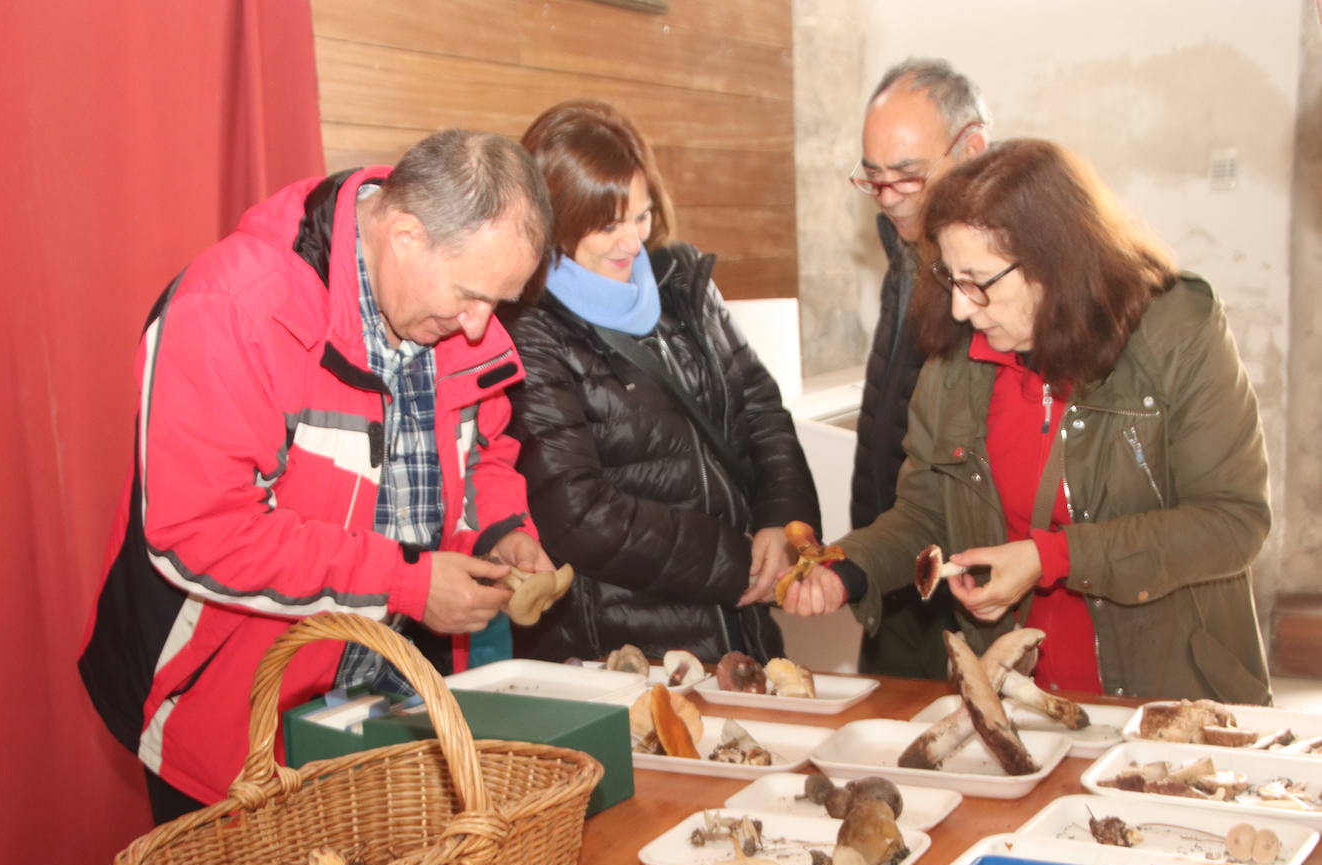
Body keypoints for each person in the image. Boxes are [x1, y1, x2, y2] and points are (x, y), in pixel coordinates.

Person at [78, 130, 557, 821]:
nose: (483, 327)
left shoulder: (448, 312)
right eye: (473, 295)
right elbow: (202, 533)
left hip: (388, 713)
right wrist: (405, 583)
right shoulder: (234, 308)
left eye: (500, 303)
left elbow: (484, 448)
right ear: (404, 234)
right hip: (227, 721)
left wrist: (500, 531)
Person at [782, 138, 1272, 705]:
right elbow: (925, 513)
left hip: (1166, 695)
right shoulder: (957, 362)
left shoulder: (1176, 333)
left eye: (979, 281)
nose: (962, 307)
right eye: (951, 279)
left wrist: (1051, 558)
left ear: (1056, 266)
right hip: (1019, 701)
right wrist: (851, 569)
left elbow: (1231, 523)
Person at [500, 99, 821, 664]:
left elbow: (762, 412)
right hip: (622, 648)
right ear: (555, 219)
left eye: (640, 216)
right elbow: (577, 512)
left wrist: (783, 526)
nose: (631, 242)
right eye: (607, 225)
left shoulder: (682, 284)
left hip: (739, 628)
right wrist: (736, 561)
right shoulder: (530, 326)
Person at [848, 58, 990, 679]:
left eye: (908, 176)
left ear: (972, 148)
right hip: (899, 561)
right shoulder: (905, 250)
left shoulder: (1006, 272)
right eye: (873, 177)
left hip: (970, 582)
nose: (889, 198)